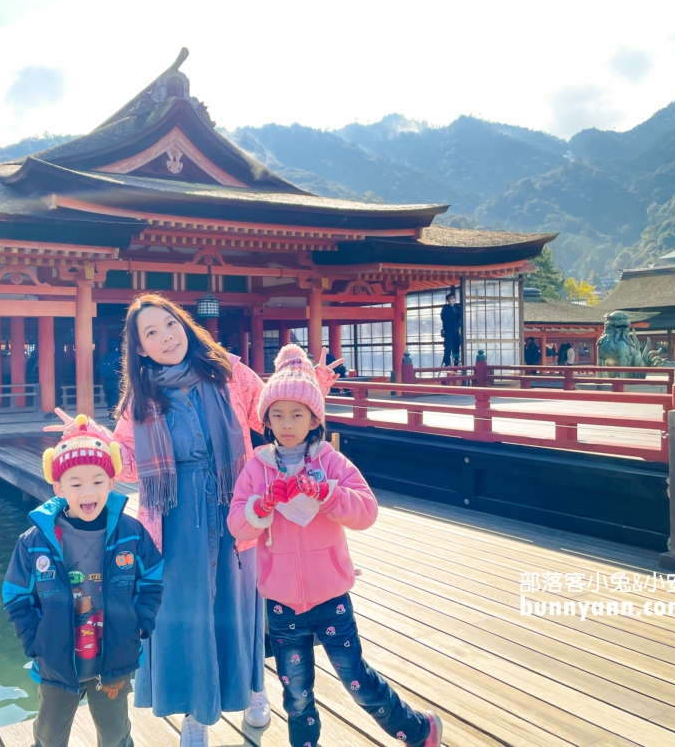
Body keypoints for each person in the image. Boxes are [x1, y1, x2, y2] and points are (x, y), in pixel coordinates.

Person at [111, 295, 339, 747]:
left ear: (185, 324)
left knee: (240, 602)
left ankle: (253, 686)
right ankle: (196, 711)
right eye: (150, 333)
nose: (165, 337)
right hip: (175, 516)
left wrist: (309, 386)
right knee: (185, 611)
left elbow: (269, 409)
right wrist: (98, 445)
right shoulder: (140, 399)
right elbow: (129, 463)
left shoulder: (227, 369)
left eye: (169, 324)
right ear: (139, 349)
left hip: (238, 503)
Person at [227, 344, 444, 747]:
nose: (287, 423)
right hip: (281, 602)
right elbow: (238, 525)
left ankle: (417, 729)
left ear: (315, 418)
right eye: (277, 414)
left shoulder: (330, 462)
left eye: (297, 414)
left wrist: (327, 495)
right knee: (296, 695)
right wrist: (262, 505)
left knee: (356, 678)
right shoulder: (257, 467)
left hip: (331, 596)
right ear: (266, 419)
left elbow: (366, 512)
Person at [2, 414, 164, 747]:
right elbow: (16, 594)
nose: (87, 492)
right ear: (58, 487)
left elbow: (152, 579)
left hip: (114, 661)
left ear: (112, 481)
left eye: (97, 481)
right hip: (58, 665)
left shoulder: (131, 533)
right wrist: (36, 640)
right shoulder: (34, 541)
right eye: (75, 484)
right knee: (48, 738)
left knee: (116, 735)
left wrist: (140, 625)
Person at [100, 341, 123, 418]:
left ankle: (109, 414)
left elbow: (98, 368)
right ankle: (114, 415)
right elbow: (123, 368)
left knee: (109, 398)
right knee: (115, 399)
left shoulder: (104, 357)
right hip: (115, 382)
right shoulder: (118, 356)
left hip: (106, 382)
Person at [439, 293, 462, 366]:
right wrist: (453, 316)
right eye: (451, 298)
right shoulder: (445, 308)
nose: (453, 299)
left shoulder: (457, 307)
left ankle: (456, 361)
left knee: (456, 345)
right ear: (448, 300)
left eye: (453, 298)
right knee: (448, 346)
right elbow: (444, 318)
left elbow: (460, 317)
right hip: (448, 330)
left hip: (456, 329)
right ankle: (447, 362)